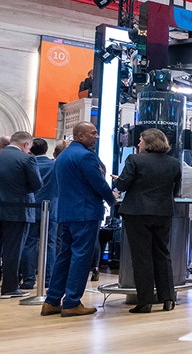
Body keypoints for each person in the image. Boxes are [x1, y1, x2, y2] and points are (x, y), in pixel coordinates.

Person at [43, 122, 116, 317]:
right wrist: (112, 199)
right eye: (93, 133)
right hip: (85, 213)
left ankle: (51, 301)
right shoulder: (85, 156)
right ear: (80, 136)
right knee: (81, 257)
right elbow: (98, 183)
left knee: (64, 255)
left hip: (66, 212)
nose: (97, 136)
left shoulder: (63, 155)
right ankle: (72, 302)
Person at [113, 128, 182, 313]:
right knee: (163, 253)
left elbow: (123, 184)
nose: (138, 144)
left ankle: (145, 301)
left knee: (142, 257)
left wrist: (118, 180)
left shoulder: (134, 160)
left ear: (147, 142)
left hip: (137, 212)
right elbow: (175, 191)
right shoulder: (174, 163)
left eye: (140, 140)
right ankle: (168, 298)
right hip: (163, 212)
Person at [0, 131, 42, 298]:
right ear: (26, 145)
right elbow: (37, 184)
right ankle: (10, 287)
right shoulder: (27, 159)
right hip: (18, 210)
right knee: (13, 250)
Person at [19, 138, 58, 290]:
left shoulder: (26, 165)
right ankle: (48, 279)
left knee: (29, 244)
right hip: (51, 209)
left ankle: (28, 280)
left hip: (30, 209)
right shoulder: (54, 166)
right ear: (46, 149)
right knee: (50, 244)